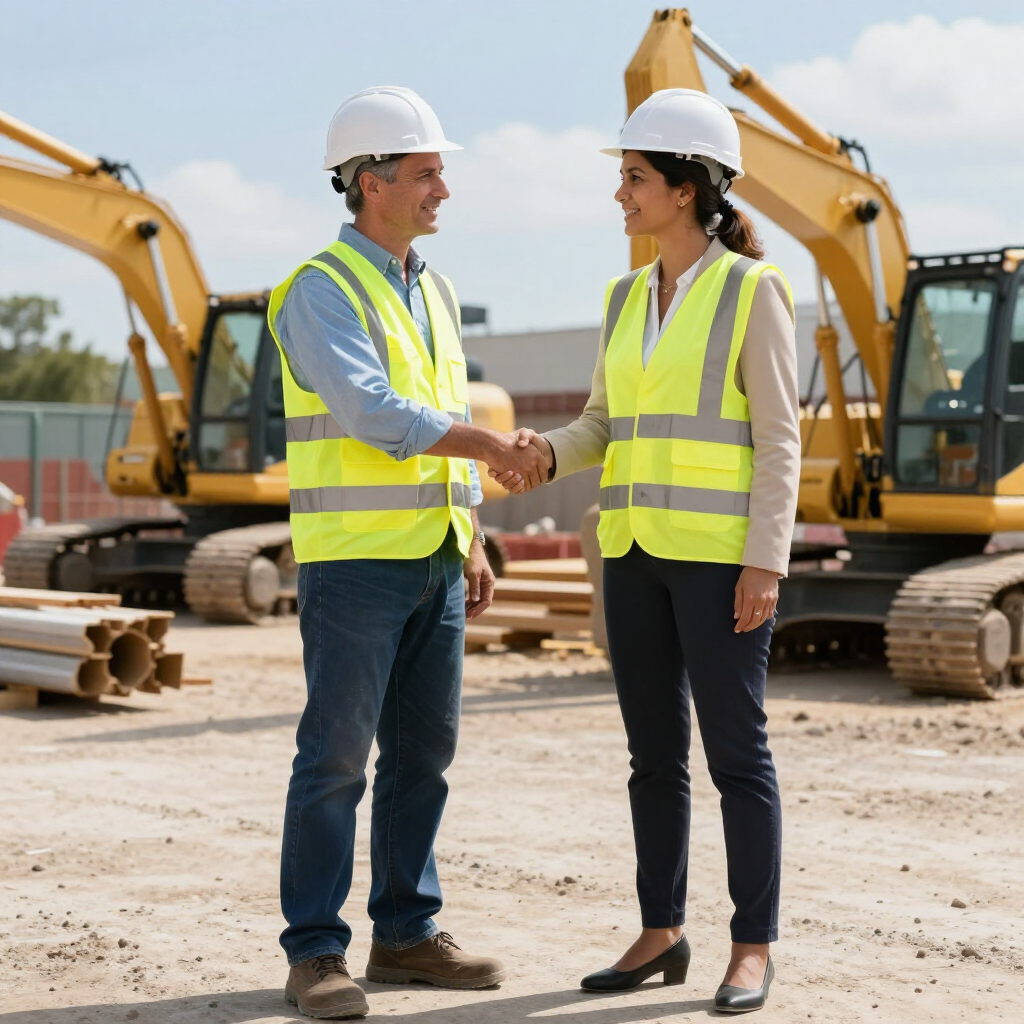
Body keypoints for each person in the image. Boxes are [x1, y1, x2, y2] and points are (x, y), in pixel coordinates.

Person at [493, 89, 800, 1014]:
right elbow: (606, 422)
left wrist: (767, 560)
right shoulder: (625, 296)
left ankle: (753, 946)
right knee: (651, 757)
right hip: (629, 552)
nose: (620, 195)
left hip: (719, 561)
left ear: (686, 187)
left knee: (736, 755)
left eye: (633, 178)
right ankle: (661, 931)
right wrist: (547, 453)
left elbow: (780, 439)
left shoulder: (753, 290)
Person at [269, 86, 548, 1020]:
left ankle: (405, 933)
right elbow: (374, 414)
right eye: (428, 172)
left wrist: (468, 532)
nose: (444, 190)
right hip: (353, 563)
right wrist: (490, 451)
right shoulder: (319, 290)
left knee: (424, 756)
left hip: (434, 556)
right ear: (371, 182)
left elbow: (431, 393)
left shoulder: (428, 288)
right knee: (338, 759)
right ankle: (314, 951)